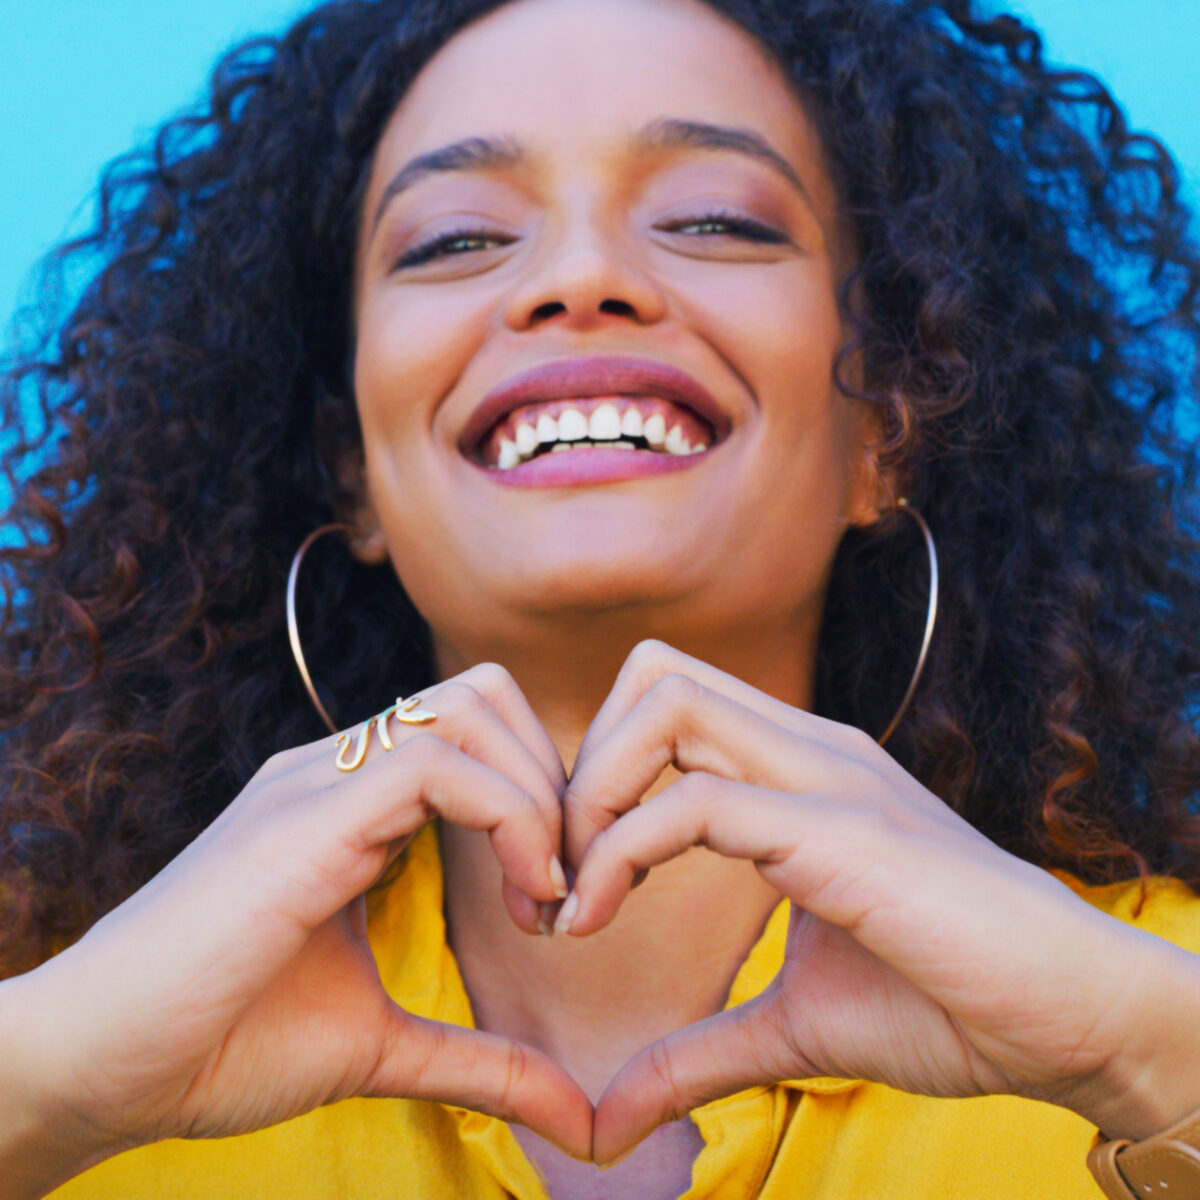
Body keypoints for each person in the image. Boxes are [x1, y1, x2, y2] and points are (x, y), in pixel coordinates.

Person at [2, 0, 1200, 1196]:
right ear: (352, 473)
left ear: (886, 429)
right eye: (457, 239)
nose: (580, 278)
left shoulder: (1148, 990)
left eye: (715, 220)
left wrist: (1146, 1059)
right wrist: (41, 1088)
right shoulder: (76, 1038)